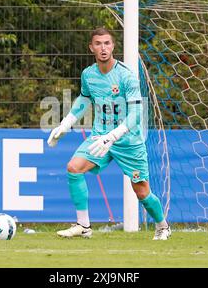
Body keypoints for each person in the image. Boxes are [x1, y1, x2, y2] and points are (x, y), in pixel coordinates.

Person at [47, 27, 170, 240]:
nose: (103, 48)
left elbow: (135, 115)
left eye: (107, 43)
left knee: (142, 193)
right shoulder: (88, 74)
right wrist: (65, 123)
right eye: (98, 44)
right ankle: (83, 226)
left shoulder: (126, 76)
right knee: (73, 168)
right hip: (98, 139)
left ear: (113, 46)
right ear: (91, 47)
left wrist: (112, 136)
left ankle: (162, 226)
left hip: (128, 142)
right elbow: (84, 99)